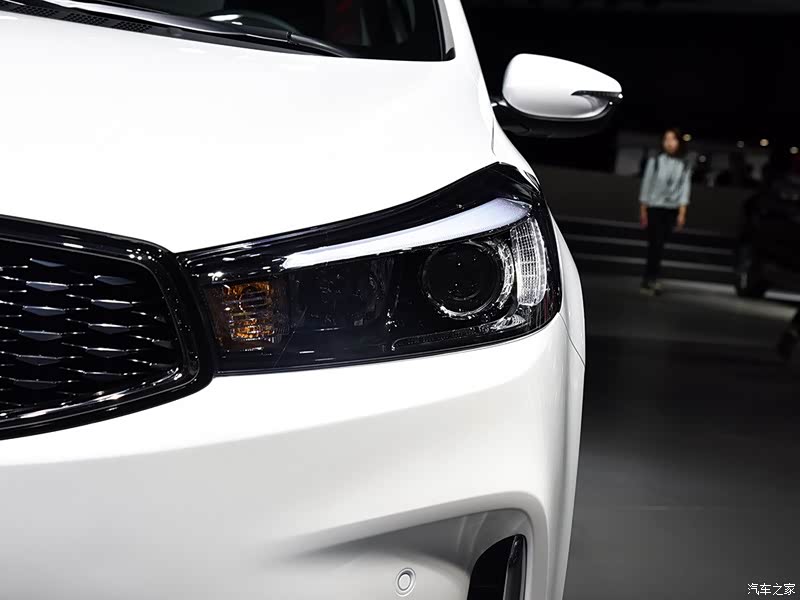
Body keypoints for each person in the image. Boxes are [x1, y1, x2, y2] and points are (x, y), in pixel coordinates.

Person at [638, 128, 692, 295]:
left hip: (671, 210)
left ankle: (651, 279)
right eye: (666, 139)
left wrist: (682, 213)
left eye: (673, 139)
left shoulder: (684, 164)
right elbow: (646, 185)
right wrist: (643, 210)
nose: (669, 143)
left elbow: (684, 189)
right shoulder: (655, 161)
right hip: (654, 207)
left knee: (660, 245)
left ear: (679, 142)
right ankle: (649, 279)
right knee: (655, 244)